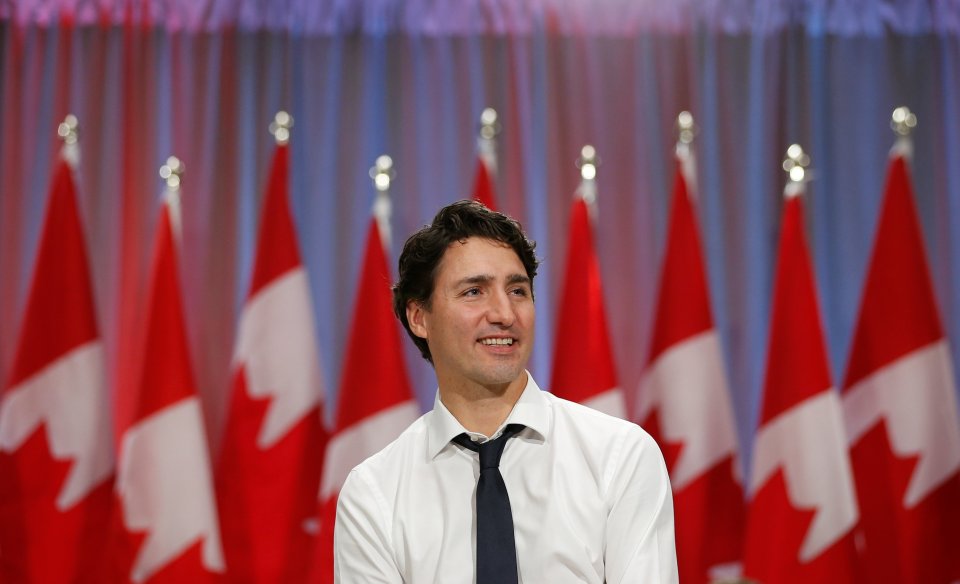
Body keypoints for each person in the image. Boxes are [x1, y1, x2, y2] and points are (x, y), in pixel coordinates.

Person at [333, 200, 678, 583]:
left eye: (517, 290)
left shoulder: (620, 457)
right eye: (474, 292)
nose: (504, 314)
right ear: (419, 317)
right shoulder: (374, 493)